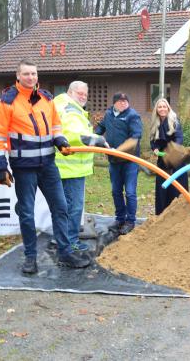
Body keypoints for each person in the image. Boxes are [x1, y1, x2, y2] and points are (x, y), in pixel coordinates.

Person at [0, 59, 91, 274]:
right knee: (26, 213)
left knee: (61, 207)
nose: (30, 77)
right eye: (26, 74)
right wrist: (1, 166)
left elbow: (56, 125)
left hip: (48, 165)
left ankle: (64, 253)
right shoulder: (6, 102)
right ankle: (30, 258)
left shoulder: (46, 98)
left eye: (33, 74)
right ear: (18, 77)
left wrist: (60, 140)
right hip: (24, 167)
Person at [54, 81, 107, 252]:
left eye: (85, 94)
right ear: (70, 92)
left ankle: (64, 239)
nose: (83, 96)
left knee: (66, 206)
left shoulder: (67, 106)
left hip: (70, 168)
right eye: (79, 93)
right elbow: (75, 134)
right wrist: (98, 140)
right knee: (73, 207)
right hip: (70, 169)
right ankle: (70, 242)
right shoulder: (70, 109)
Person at [94, 92, 143, 235]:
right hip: (114, 161)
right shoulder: (109, 114)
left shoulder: (132, 116)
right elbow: (100, 129)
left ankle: (130, 221)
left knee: (130, 192)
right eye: (120, 101)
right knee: (116, 191)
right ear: (114, 103)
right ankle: (120, 219)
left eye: (125, 101)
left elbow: (136, 137)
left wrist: (119, 150)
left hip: (130, 161)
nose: (123, 103)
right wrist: (96, 138)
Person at [150, 98, 189, 215]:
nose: (162, 109)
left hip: (176, 159)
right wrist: (155, 149)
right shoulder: (155, 123)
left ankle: (178, 214)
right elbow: (152, 140)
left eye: (164, 107)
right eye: (159, 107)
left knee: (176, 188)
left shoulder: (174, 120)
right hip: (162, 161)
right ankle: (162, 214)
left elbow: (179, 138)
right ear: (156, 109)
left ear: (168, 108)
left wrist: (172, 150)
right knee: (162, 189)